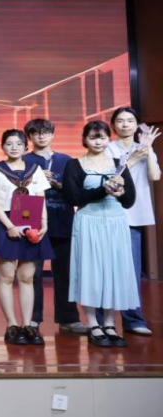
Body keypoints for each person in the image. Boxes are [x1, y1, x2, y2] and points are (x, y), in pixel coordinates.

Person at [64, 120, 139, 348]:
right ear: (84, 140)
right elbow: (72, 198)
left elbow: (129, 201)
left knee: (114, 272)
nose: (98, 142)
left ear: (109, 139)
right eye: (93, 137)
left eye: (103, 137)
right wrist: (102, 190)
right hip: (89, 221)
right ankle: (92, 323)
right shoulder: (75, 164)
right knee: (90, 271)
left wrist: (121, 191)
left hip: (116, 222)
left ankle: (110, 323)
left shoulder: (119, 164)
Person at [0, 130, 53, 346]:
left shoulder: (35, 169)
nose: (14, 147)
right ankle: (11, 325)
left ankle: (28, 324)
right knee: (6, 276)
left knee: (27, 277)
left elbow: (40, 197)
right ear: (2, 147)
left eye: (19, 144)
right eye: (9, 143)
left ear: (25, 147)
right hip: (7, 223)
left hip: (32, 221)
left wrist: (44, 223)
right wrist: (10, 226)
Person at [102, 107, 161, 336]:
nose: (125, 124)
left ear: (137, 125)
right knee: (106, 269)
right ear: (113, 125)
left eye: (130, 120)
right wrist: (134, 158)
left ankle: (133, 320)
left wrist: (149, 149)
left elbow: (154, 176)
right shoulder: (107, 148)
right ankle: (101, 321)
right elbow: (112, 178)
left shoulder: (144, 147)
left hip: (134, 215)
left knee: (132, 271)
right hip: (109, 213)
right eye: (120, 121)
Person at [23, 119, 85, 334]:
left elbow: (76, 194)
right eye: (36, 133)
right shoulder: (24, 160)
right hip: (33, 222)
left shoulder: (66, 160)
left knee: (66, 273)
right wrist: (35, 181)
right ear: (30, 137)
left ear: (52, 135)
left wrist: (57, 184)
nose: (41, 136)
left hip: (63, 220)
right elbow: (16, 194)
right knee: (32, 274)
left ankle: (69, 319)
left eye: (46, 132)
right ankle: (32, 319)